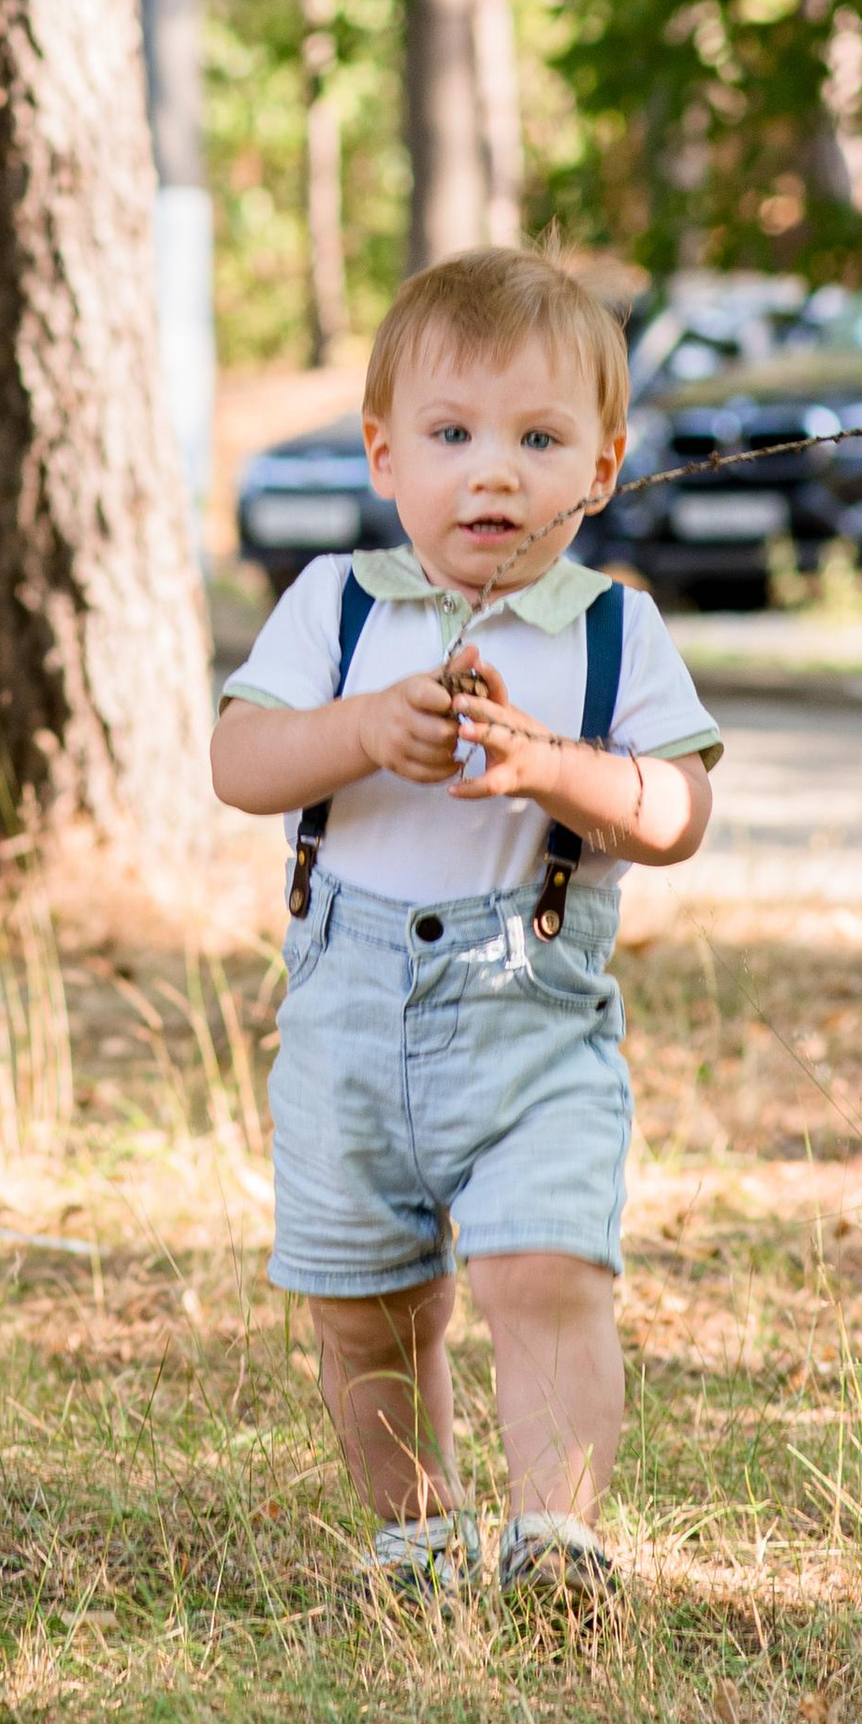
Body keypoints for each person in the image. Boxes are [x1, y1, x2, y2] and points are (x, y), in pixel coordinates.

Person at [211, 246, 721, 1606]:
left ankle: (559, 1540)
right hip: (346, 1023)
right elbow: (241, 761)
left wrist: (553, 765)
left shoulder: (616, 629)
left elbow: (676, 809)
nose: (491, 472)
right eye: (451, 434)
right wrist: (367, 728)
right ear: (385, 454)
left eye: (537, 439)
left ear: (602, 468)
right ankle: (419, 1532)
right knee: (366, 1310)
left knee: (544, 1271)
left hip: (529, 1018)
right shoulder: (338, 604)